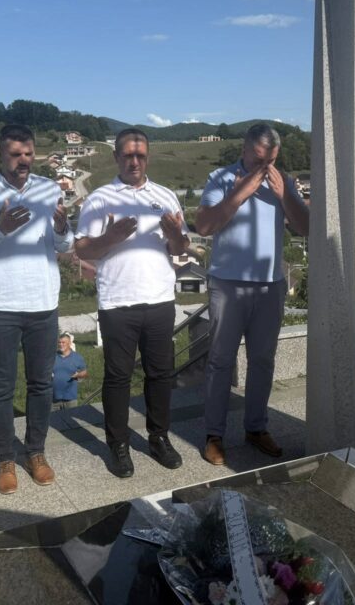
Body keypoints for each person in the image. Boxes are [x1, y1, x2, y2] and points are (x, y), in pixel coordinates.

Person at [0, 123, 73, 494]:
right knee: (1, 388)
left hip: (43, 302)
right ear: (0, 154)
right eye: (15, 154)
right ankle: (5, 458)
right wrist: (0, 228)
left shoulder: (49, 189)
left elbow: (64, 246)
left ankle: (35, 452)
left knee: (41, 383)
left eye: (28, 153)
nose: (23, 160)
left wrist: (62, 229)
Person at [74, 128, 189, 478]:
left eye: (140, 155)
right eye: (127, 155)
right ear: (116, 157)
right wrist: (110, 238)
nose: (134, 161)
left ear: (147, 157)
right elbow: (82, 249)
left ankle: (159, 438)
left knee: (160, 374)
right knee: (118, 377)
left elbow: (180, 249)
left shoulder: (165, 196)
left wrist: (175, 235)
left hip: (159, 298)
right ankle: (119, 445)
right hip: (117, 300)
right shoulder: (99, 199)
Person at [195, 123, 310, 466]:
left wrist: (284, 194)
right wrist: (240, 193)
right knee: (220, 361)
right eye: (259, 160)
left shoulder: (283, 181)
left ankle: (256, 428)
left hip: (270, 285)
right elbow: (204, 226)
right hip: (227, 285)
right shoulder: (220, 178)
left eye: (271, 160)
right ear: (243, 151)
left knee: (262, 360)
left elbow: (306, 227)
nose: (265, 167)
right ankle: (214, 435)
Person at [53, 332, 88, 409]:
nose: (61, 344)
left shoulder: (77, 357)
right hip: (54, 398)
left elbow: (85, 372)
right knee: (53, 417)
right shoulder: (53, 357)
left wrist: (78, 375)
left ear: (69, 343)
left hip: (70, 398)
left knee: (70, 416)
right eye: (59, 342)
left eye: (63, 342)